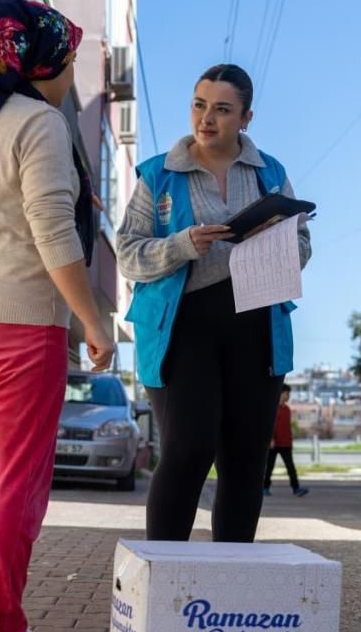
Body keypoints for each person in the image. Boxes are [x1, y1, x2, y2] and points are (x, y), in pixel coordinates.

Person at [0, 0, 115, 632]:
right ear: (41, 61)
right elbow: (52, 230)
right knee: (14, 489)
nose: (72, 72)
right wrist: (93, 321)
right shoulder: (38, 123)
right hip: (18, 326)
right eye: (68, 57)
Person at [119, 63, 312, 543]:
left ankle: (231, 580)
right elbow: (127, 254)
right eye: (199, 105)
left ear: (245, 117)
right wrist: (182, 244)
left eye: (222, 110)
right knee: (187, 452)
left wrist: (275, 241)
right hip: (182, 328)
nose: (207, 119)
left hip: (255, 326)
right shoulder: (158, 175)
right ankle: (163, 579)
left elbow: (303, 245)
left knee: (245, 461)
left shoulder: (271, 173)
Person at [264, 386, 307, 497]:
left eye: (288, 394)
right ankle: (264, 488)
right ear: (280, 393)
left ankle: (296, 488)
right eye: (286, 394)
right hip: (274, 444)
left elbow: (286, 427)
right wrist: (271, 439)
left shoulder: (287, 409)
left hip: (286, 444)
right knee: (269, 467)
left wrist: (290, 440)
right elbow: (270, 425)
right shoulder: (272, 408)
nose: (288, 396)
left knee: (290, 467)